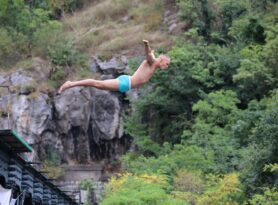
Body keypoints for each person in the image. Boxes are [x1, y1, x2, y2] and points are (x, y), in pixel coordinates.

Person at [58, 40, 170, 94]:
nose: (167, 66)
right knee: (98, 84)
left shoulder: (155, 65)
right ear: (162, 60)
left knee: (99, 86)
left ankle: (71, 84)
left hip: (126, 85)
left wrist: (150, 50)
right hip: (126, 83)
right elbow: (149, 55)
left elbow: (152, 54)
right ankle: (70, 84)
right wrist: (147, 45)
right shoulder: (152, 62)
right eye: (167, 63)